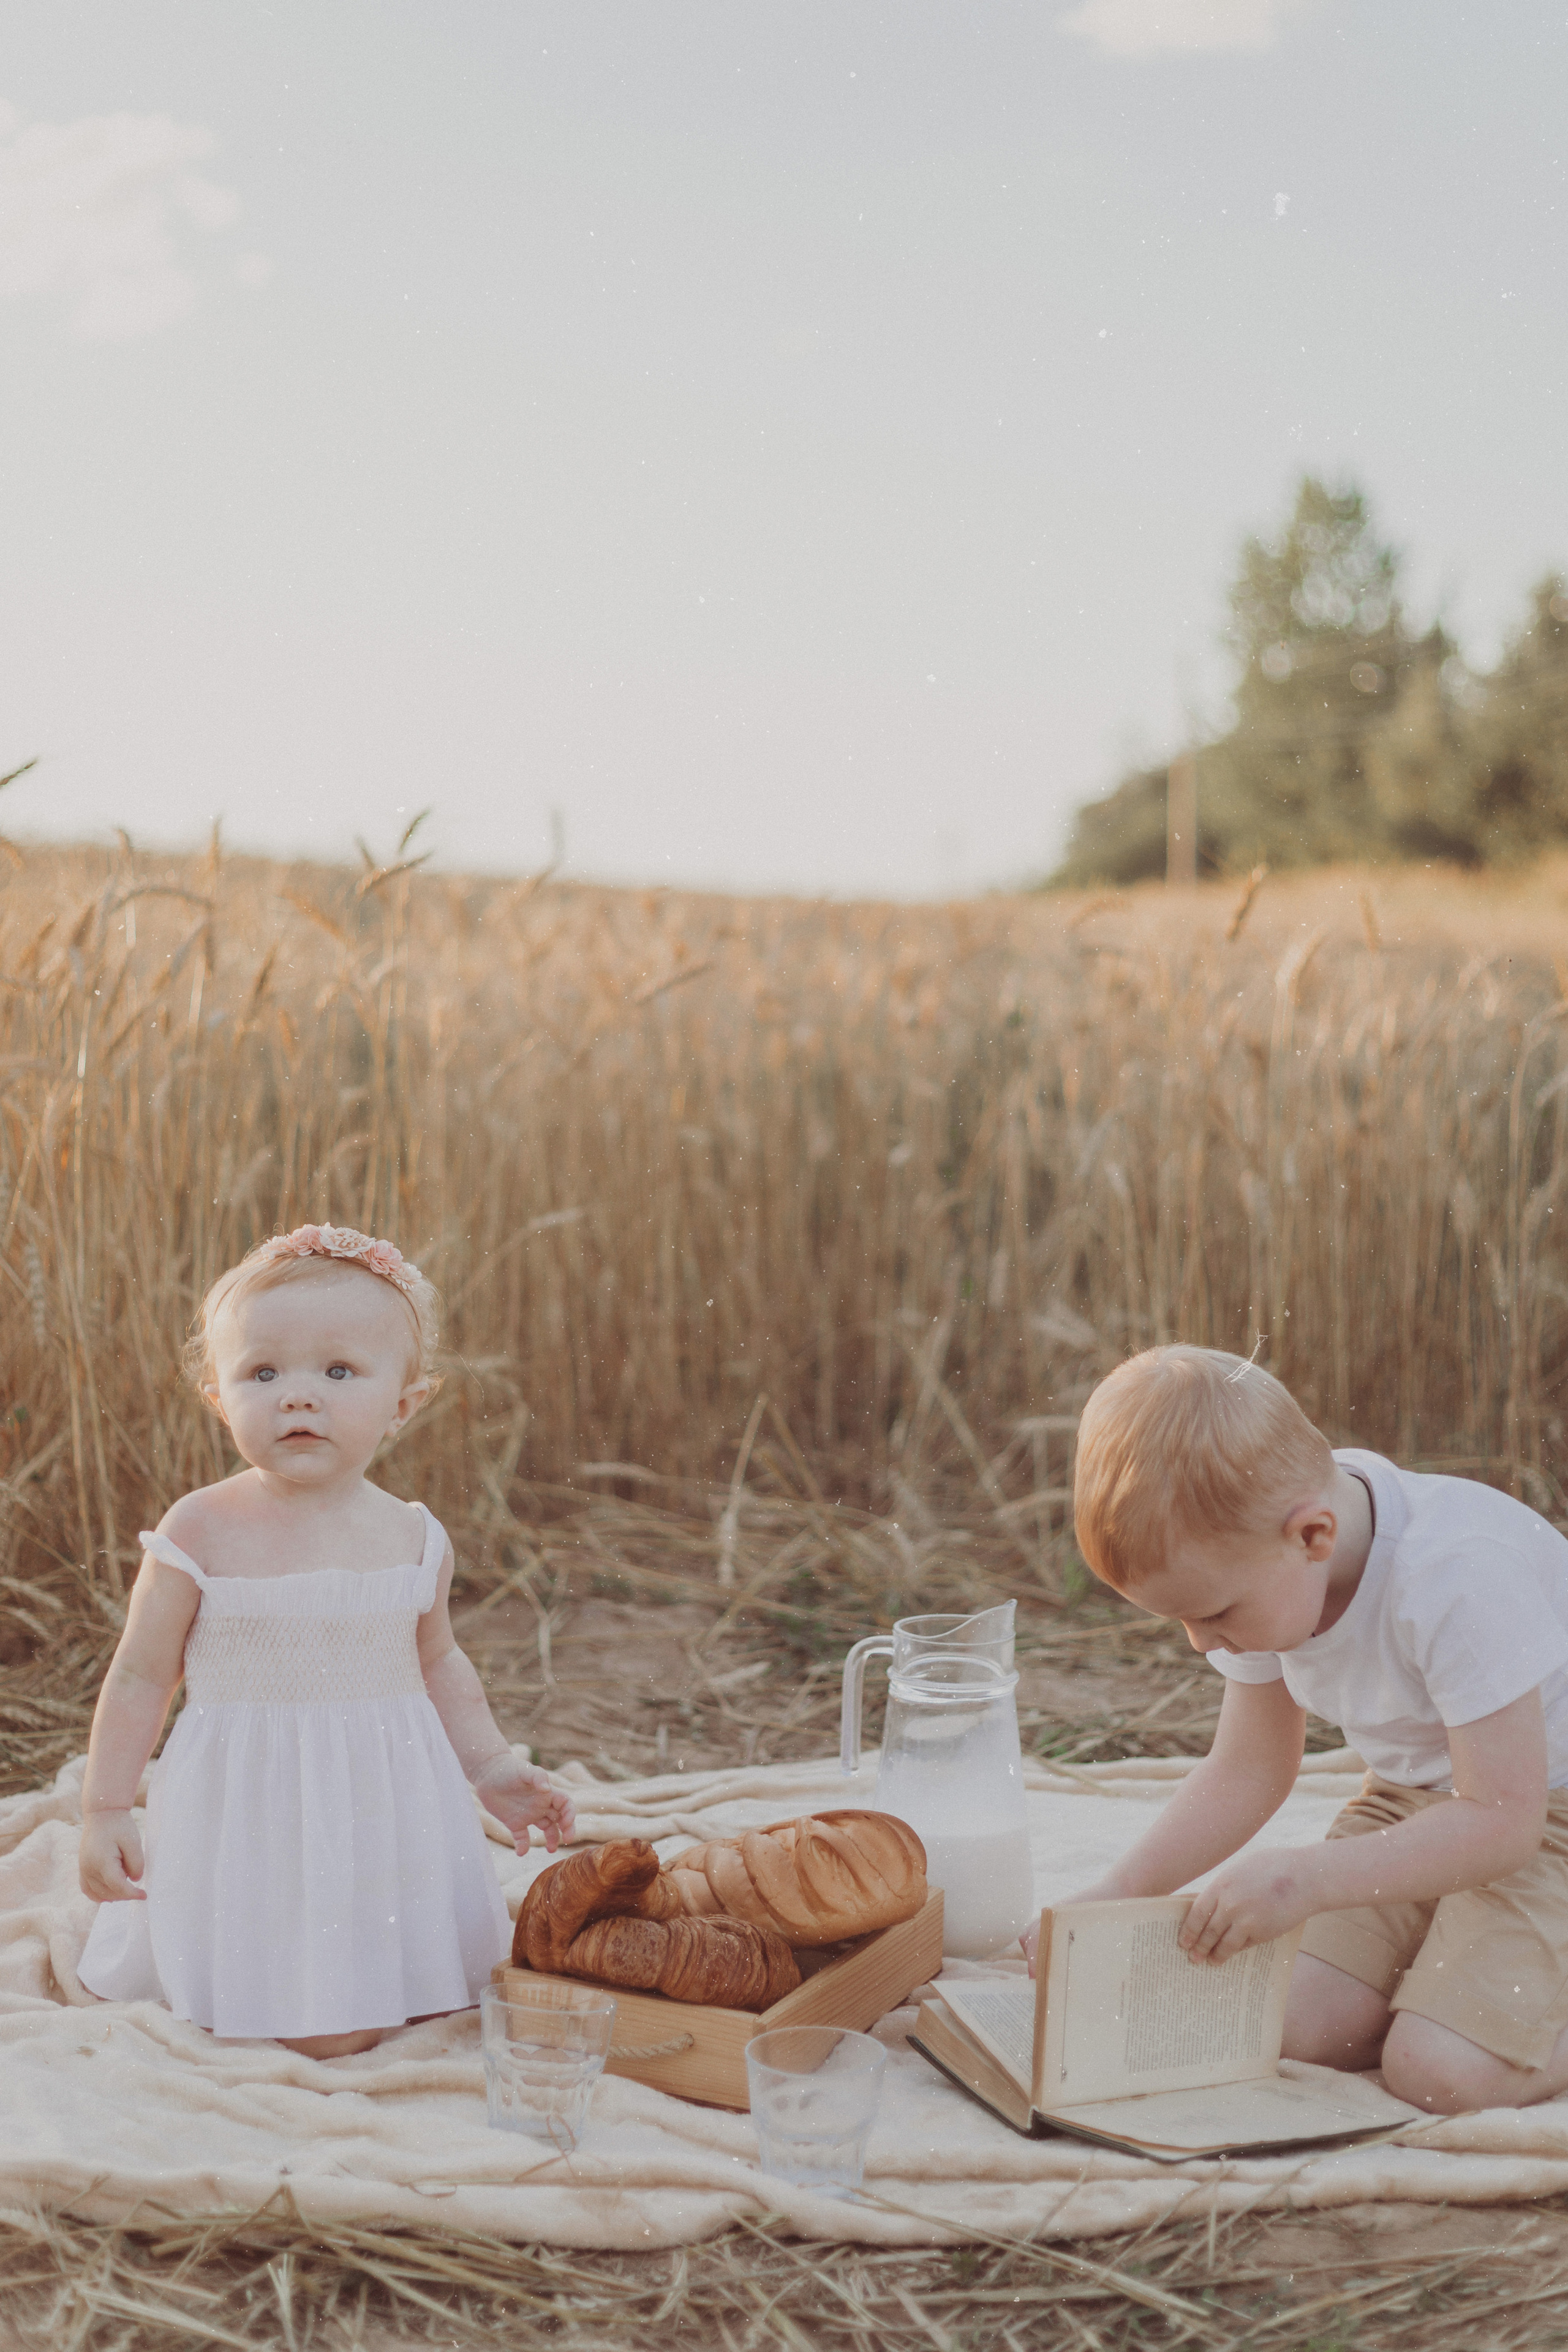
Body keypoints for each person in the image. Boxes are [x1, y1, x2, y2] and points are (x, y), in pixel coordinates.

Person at [1028, 1343, 1568, 2116]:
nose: (1200, 1643)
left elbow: (1504, 1825)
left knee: (1439, 2072)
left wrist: (1304, 1879)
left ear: (1313, 1536)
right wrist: (1118, 1892)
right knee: (1295, 2027)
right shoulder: (1265, 1554)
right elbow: (1248, 1771)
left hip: (1540, 1812)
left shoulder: (1452, 1576)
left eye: (1211, 1614)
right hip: (1416, 1799)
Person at [77, 1223, 573, 2057]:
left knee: (387, 1993)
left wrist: (490, 1769)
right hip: (247, 1809)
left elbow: (438, 1660)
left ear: (404, 1404)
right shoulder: (199, 1529)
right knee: (292, 2008)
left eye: (338, 1372)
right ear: (218, 1397)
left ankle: (377, 1980)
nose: (297, 1396)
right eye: (262, 1373)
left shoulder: (413, 1536)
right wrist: (103, 1807)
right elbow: (139, 1676)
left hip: (378, 1800)